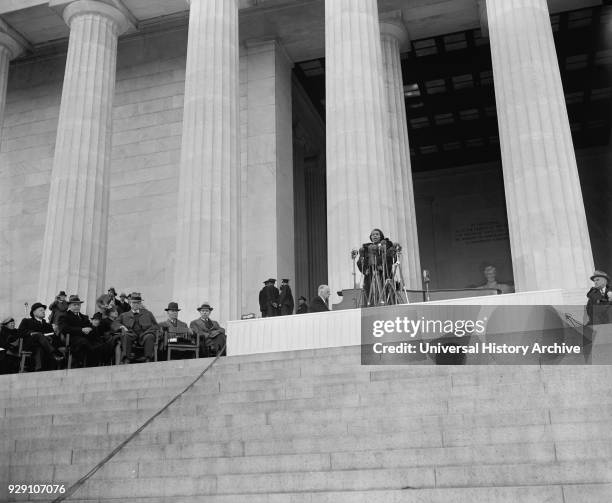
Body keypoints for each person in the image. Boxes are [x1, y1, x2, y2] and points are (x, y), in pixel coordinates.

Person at [18, 302, 63, 370]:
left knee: (40, 348)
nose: (43, 312)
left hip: (42, 346)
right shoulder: (26, 321)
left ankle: (39, 369)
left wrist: (52, 336)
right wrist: (31, 333)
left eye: (44, 310)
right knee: (38, 335)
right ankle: (54, 353)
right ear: (34, 312)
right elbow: (20, 332)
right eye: (40, 310)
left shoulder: (48, 325)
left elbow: (54, 336)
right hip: (30, 344)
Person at [357, 228, 396, 306]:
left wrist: (380, 265)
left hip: (384, 275)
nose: (374, 236)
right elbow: (359, 262)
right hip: (370, 277)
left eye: (377, 234)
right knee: (370, 298)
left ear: (381, 236)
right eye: (373, 234)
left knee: (386, 296)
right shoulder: (366, 248)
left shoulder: (387, 244)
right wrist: (365, 270)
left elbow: (391, 258)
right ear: (370, 237)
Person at [117, 292, 159, 363]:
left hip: (144, 334)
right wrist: (121, 326)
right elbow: (115, 323)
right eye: (134, 303)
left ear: (140, 304)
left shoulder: (148, 313)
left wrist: (149, 330)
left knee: (150, 336)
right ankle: (126, 359)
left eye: (138, 303)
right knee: (126, 335)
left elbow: (156, 325)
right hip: (131, 335)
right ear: (130, 303)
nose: (136, 305)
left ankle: (148, 359)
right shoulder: (124, 315)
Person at [58, 295, 94, 367]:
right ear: (69, 306)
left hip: (86, 338)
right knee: (83, 343)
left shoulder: (84, 317)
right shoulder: (64, 316)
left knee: (98, 343)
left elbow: (90, 325)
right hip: (71, 339)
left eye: (78, 305)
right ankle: (81, 364)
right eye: (75, 305)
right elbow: (64, 328)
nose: (77, 306)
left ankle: (92, 364)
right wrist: (81, 330)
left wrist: (90, 328)